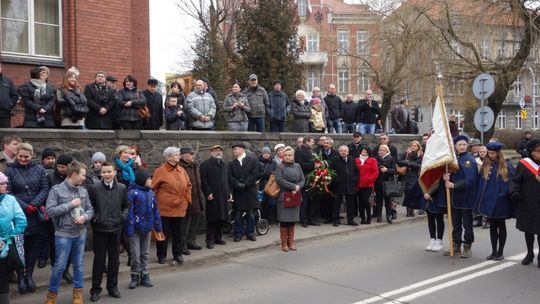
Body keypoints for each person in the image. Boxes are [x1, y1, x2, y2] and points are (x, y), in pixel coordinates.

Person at [44, 160, 94, 304]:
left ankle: (78, 294)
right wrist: (70, 204)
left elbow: (91, 210)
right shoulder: (56, 190)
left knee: (78, 264)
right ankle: (51, 295)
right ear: (73, 174)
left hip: (80, 233)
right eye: (83, 175)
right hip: (63, 234)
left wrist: (84, 217)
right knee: (59, 266)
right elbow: (50, 211)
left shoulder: (83, 191)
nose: (85, 178)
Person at [5, 143, 50, 294]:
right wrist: (26, 207)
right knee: (20, 249)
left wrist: (34, 204)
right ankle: (20, 278)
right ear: (17, 155)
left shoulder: (39, 169)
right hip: (18, 215)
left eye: (26, 156)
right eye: (21, 156)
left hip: (36, 215)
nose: (23, 159)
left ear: (32, 156)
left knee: (33, 248)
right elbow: (8, 193)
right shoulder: (9, 171)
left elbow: (45, 188)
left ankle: (29, 276)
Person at [88, 162, 128, 301]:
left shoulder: (122, 188)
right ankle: (95, 289)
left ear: (114, 172)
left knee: (114, 260)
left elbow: (126, 206)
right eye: (104, 172)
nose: (106, 174)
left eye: (109, 171)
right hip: (100, 229)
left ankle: (112, 287)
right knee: (99, 260)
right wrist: (95, 219)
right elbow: (90, 207)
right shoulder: (94, 188)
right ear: (101, 174)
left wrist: (122, 217)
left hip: (116, 229)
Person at [152, 147, 192, 265]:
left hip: (180, 208)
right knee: (163, 233)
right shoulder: (160, 171)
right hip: (164, 208)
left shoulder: (181, 170)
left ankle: (177, 254)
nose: (179, 156)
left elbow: (189, 185)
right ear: (168, 157)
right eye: (176, 154)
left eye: (178, 154)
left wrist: (187, 200)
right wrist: (155, 205)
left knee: (178, 233)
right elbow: (153, 188)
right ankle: (161, 255)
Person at [443, 135, 478, 258]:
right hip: (455, 198)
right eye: (460, 144)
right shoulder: (454, 160)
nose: (462, 146)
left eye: (464, 144)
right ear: (455, 146)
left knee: (467, 224)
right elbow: (453, 174)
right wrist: (447, 177)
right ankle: (456, 244)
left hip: (466, 197)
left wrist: (454, 185)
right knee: (455, 223)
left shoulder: (469, 160)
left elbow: (470, 180)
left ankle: (467, 246)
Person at [476, 142, 513, 261]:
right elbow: (481, 183)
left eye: (493, 153)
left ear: (498, 153)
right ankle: (493, 251)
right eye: (489, 153)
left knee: (500, 225)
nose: (491, 155)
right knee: (492, 226)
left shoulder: (506, 165)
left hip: (500, 201)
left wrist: (502, 195)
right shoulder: (486, 165)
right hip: (489, 200)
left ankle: (500, 251)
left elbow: (509, 183)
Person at [127, 170, 162, 289]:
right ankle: (135, 276)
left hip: (147, 228)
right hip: (135, 229)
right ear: (142, 181)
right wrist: (130, 228)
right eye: (149, 179)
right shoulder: (132, 193)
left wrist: (157, 225)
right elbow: (130, 212)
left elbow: (156, 210)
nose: (151, 181)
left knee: (145, 254)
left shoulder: (151, 193)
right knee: (135, 254)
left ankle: (145, 275)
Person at [509, 139, 540, 267]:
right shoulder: (524, 164)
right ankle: (529, 253)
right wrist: (514, 192)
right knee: (529, 230)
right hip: (527, 202)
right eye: (538, 151)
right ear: (532, 152)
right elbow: (515, 181)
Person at [0, 172, 27, 303]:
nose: (5, 186)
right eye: (2, 183)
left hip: (6, 246)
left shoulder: (10, 200)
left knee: (3, 279)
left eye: (6, 183)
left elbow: (21, 220)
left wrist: (10, 237)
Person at [200, 145, 230, 249]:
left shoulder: (224, 164)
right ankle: (210, 240)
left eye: (220, 151)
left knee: (222, 218)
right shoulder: (205, 165)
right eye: (216, 151)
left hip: (223, 196)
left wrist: (228, 193)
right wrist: (208, 193)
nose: (219, 153)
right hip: (212, 196)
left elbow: (227, 180)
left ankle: (218, 237)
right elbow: (203, 182)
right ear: (211, 152)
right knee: (212, 219)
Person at [229, 143, 260, 242]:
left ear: (242, 150)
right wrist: (237, 184)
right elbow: (230, 177)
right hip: (238, 192)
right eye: (233, 150)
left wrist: (246, 184)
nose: (234, 151)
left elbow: (255, 174)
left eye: (235, 149)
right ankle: (238, 233)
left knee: (250, 214)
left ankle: (250, 233)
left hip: (250, 191)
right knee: (237, 214)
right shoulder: (232, 164)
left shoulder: (252, 160)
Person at [275, 146, 304, 252]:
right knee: (284, 221)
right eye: (285, 155)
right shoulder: (280, 166)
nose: (287, 157)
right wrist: (293, 187)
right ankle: (284, 243)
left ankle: (291, 242)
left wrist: (298, 187)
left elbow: (302, 180)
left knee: (292, 220)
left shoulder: (297, 166)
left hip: (295, 196)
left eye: (289, 155)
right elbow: (279, 180)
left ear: (293, 156)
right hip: (284, 196)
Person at [179, 147, 205, 254]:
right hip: (186, 201)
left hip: (197, 199)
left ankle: (191, 241)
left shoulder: (194, 166)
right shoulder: (180, 167)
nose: (193, 156)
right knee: (184, 225)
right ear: (184, 156)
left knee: (195, 222)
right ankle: (182, 245)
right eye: (191, 154)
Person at [330, 146, 359, 226]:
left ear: (348, 152)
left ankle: (350, 220)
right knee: (337, 203)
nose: (343, 152)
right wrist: (337, 180)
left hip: (350, 184)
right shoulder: (334, 160)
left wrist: (354, 178)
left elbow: (356, 170)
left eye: (345, 151)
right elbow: (332, 172)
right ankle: (335, 220)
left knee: (350, 204)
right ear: (339, 152)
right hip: (339, 185)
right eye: (342, 151)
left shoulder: (351, 159)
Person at [295, 136, 319, 227]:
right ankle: (304, 220)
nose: (313, 143)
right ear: (307, 142)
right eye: (312, 142)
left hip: (313, 178)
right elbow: (300, 164)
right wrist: (313, 165)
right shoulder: (299, 151)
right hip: (305, 178)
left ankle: (311, 219)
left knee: (313, 200)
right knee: (304, 201)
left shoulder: (312, 151)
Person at [397, 140, 423, 217]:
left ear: (418, 147)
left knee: (413, 193)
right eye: (412, 145)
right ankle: (409, 210)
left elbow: (418, 166)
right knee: (407, 193)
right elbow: (399, 162)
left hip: (414, 176)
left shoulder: (420, 155)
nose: (413, 147)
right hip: (405, 176)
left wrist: (408, 163)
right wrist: (409, 163)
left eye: (415, 146)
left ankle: (411, 209)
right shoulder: (406, 154)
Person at [355, 147, 378, 225]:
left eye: (365, 152)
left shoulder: (372, 160)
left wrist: (369, 179)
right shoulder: (356, 160)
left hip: (368, 184)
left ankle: (368, 216)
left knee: (365, 200)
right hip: (358, 184)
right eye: (362, 151)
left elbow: (375, 172)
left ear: (368, 152)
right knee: (360, 201)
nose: (364, 153)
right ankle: (362, 218)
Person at [374, 144, 396, 223]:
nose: (382, 152)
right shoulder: (376, 159)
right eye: (381, 150)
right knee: (379, 199)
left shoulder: (391, 159)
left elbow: (394, 170)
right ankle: (379, 216)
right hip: (378, 182)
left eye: (383, 150)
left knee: (388, 200)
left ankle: (388, 216)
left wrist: (387, 170)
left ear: (387, 151)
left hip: (388, 181)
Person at [259, 146, 277, 223]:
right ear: (262, 154)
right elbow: (257, 173)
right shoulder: (258, 162)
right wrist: (267, 174)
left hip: (271, 186)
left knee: (271, 204)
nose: (266, 154)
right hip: (261, 186)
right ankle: (263, 221)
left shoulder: (274, 163)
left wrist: (268, 174)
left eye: (267, 153)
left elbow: (275, 174)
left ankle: (269, 221)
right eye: (264, 153)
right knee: (262, 204)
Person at [0, 63, 18, 128]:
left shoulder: (7, 81)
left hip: (4, 115)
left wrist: (9, 104)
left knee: (5, 136)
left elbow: (14, 95)